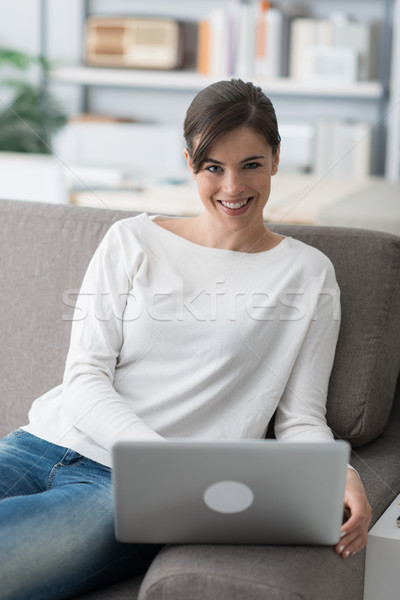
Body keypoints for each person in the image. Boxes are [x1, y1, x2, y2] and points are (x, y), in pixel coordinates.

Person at [0, 79, 371, 600]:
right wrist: (164, 462)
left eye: (251, 165)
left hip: (127, 494)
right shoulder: (132, 239)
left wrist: (342, 474)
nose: (232, 187)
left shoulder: (308, 275)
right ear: (189, 161)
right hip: (40, 444)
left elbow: (299, 420)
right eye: (213, 167)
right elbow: (84, 378)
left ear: (277, 158)